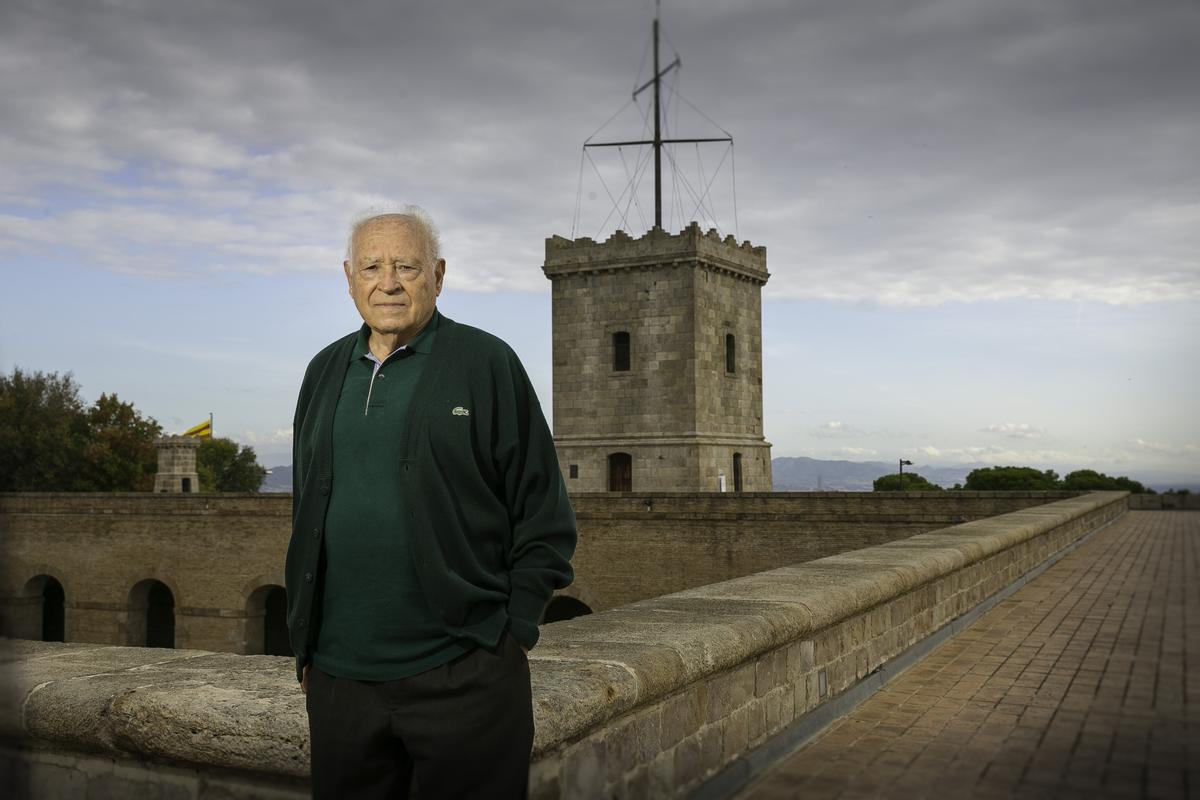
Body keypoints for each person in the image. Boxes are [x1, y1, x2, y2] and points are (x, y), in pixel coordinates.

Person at [284, 206, 576, 799]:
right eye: (371, 266)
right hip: (340, 682)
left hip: (464, 675)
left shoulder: (486, 363)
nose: (387, 282)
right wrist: (308, 644)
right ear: (348, 277)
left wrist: (511, 632)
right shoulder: (323, 371)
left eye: (406, 266)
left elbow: (544, 514)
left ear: (438, 275)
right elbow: (304, 509)